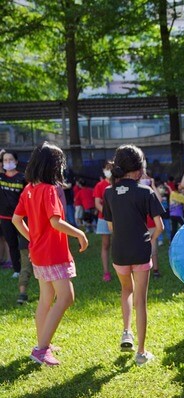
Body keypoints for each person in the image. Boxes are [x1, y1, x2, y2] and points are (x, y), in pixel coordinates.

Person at [12, 142, 89, 366]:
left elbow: (17, 220)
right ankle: (41, 349)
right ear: (54, 167)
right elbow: (56, 222)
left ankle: (43, 342)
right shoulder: (49, 190)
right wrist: (79, 234)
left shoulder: (29, 189)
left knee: (47, 299)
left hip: (37, 253)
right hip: (54, 254)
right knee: (66, 297)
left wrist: (33, 239)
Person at [103, 145, 164, 366]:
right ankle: (141, 352)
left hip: (119, 252)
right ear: (140, 168)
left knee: (125, 290)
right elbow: (160, 227)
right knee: (141, 299)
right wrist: (149, 237)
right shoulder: (145, 191)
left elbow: (111, 228)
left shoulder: (108, 192)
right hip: (140, 252)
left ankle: (126, 331)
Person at [0, 150, 27, 280]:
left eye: (10, 160)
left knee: (25, 244)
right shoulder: (1, 178)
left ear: (16, 161)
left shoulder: (23, 178)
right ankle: (17, 269)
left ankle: (30, 267)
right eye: (5, 160)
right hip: (5, 218)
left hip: (21, 218)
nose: (8, 162)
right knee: (12, 244)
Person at [94, 161, 114, 282]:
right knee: (105, 244)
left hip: (118, 219)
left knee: (120, 244)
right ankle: (106, 272)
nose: (108, 170)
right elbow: (97, 203)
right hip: (103, 219)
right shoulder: (100, 185)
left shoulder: (118, 184)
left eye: (110, 168)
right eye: (107, 168)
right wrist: (108, 215)